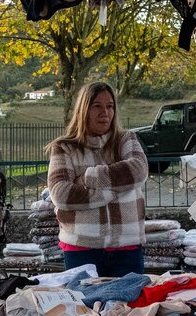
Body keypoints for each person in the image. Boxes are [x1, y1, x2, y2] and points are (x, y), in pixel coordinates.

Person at [46, 81, 149, 277]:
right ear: (84, 109)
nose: (105, 113)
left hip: (127, 247)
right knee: (84, 298)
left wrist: (87, 177)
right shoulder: (64, 147)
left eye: (110, 106)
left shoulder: (126, 139)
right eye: (97, 106)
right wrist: (115, 190)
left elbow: (139, 170)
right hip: (81, 248)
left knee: (129, 299)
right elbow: (61, 194)